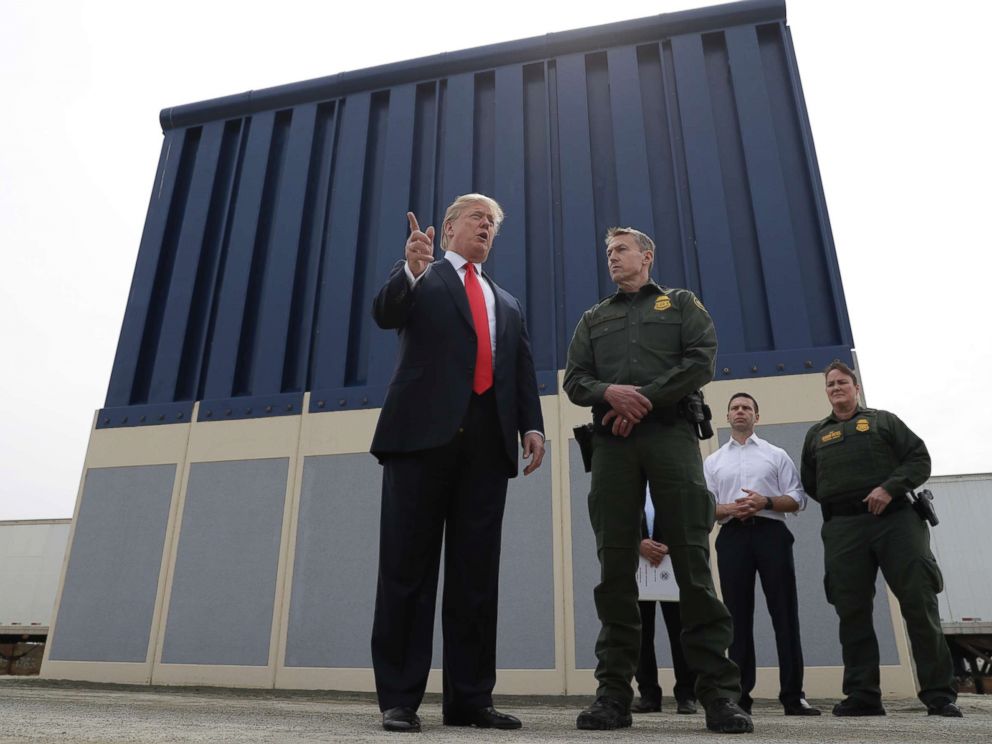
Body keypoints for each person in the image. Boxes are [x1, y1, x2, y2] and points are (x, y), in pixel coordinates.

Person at [563, 226, 751, 734]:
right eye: (607, 251)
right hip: (613, 445)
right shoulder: (593, 318)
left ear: (647, 255)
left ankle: (718, 695)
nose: (612, 257)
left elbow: (700, 360)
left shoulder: (682, 303)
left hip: (670, 436)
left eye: (621, 249)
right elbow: (575, 380)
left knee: (692, 561)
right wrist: (610, 393)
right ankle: (613, 696)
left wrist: (640, 399)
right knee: (615, 566)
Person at [369, 194, 546, 733]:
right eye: (477, 219)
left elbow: (520, 366)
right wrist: (410, 270)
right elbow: (385, 314)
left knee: (476, 578)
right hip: (422, 440)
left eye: (493, 223)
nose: (487, 228)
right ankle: (399, 699)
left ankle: (470, 698)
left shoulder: (507, 302)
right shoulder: (423, 277)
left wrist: (531, 425)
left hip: (487, 448)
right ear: (447, 228)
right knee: (408, 571)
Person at [800, 361, 961, 718]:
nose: (836, 388)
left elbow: (919, 459)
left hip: (896, 522)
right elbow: (812, 483)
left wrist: (889, 488)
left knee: (919, 603)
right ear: (826, 392)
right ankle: (863, 694)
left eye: (842, 382)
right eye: (830, 384)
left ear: (855, 387)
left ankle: (939, 695)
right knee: (851, 610)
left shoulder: (883, 421)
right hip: (844, 529)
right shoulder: (815, 435)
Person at [704, 393, 820, 716]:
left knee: (785, 614)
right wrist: (729, 508)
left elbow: (798, 498)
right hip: (732, 537)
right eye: (735, 408)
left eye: (747, 408)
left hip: (772, 534)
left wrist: (764, 502)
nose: (741, 412)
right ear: (727, 416)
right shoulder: (713, 462)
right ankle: (739, 698)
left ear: (757, 415)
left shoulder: (776, 455)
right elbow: (705, 507)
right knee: (737, 619)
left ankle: (793, 696)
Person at [632, 487, 698, 715]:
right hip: (639, 564)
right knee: (641, 632)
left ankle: (687, 694)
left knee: (680, 629)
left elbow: (691, 513)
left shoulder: (671, 475)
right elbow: (617, 516)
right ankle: (649, 695)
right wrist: (638, 542)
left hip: (673, 562)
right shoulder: (630, 478)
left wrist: (670, 544)